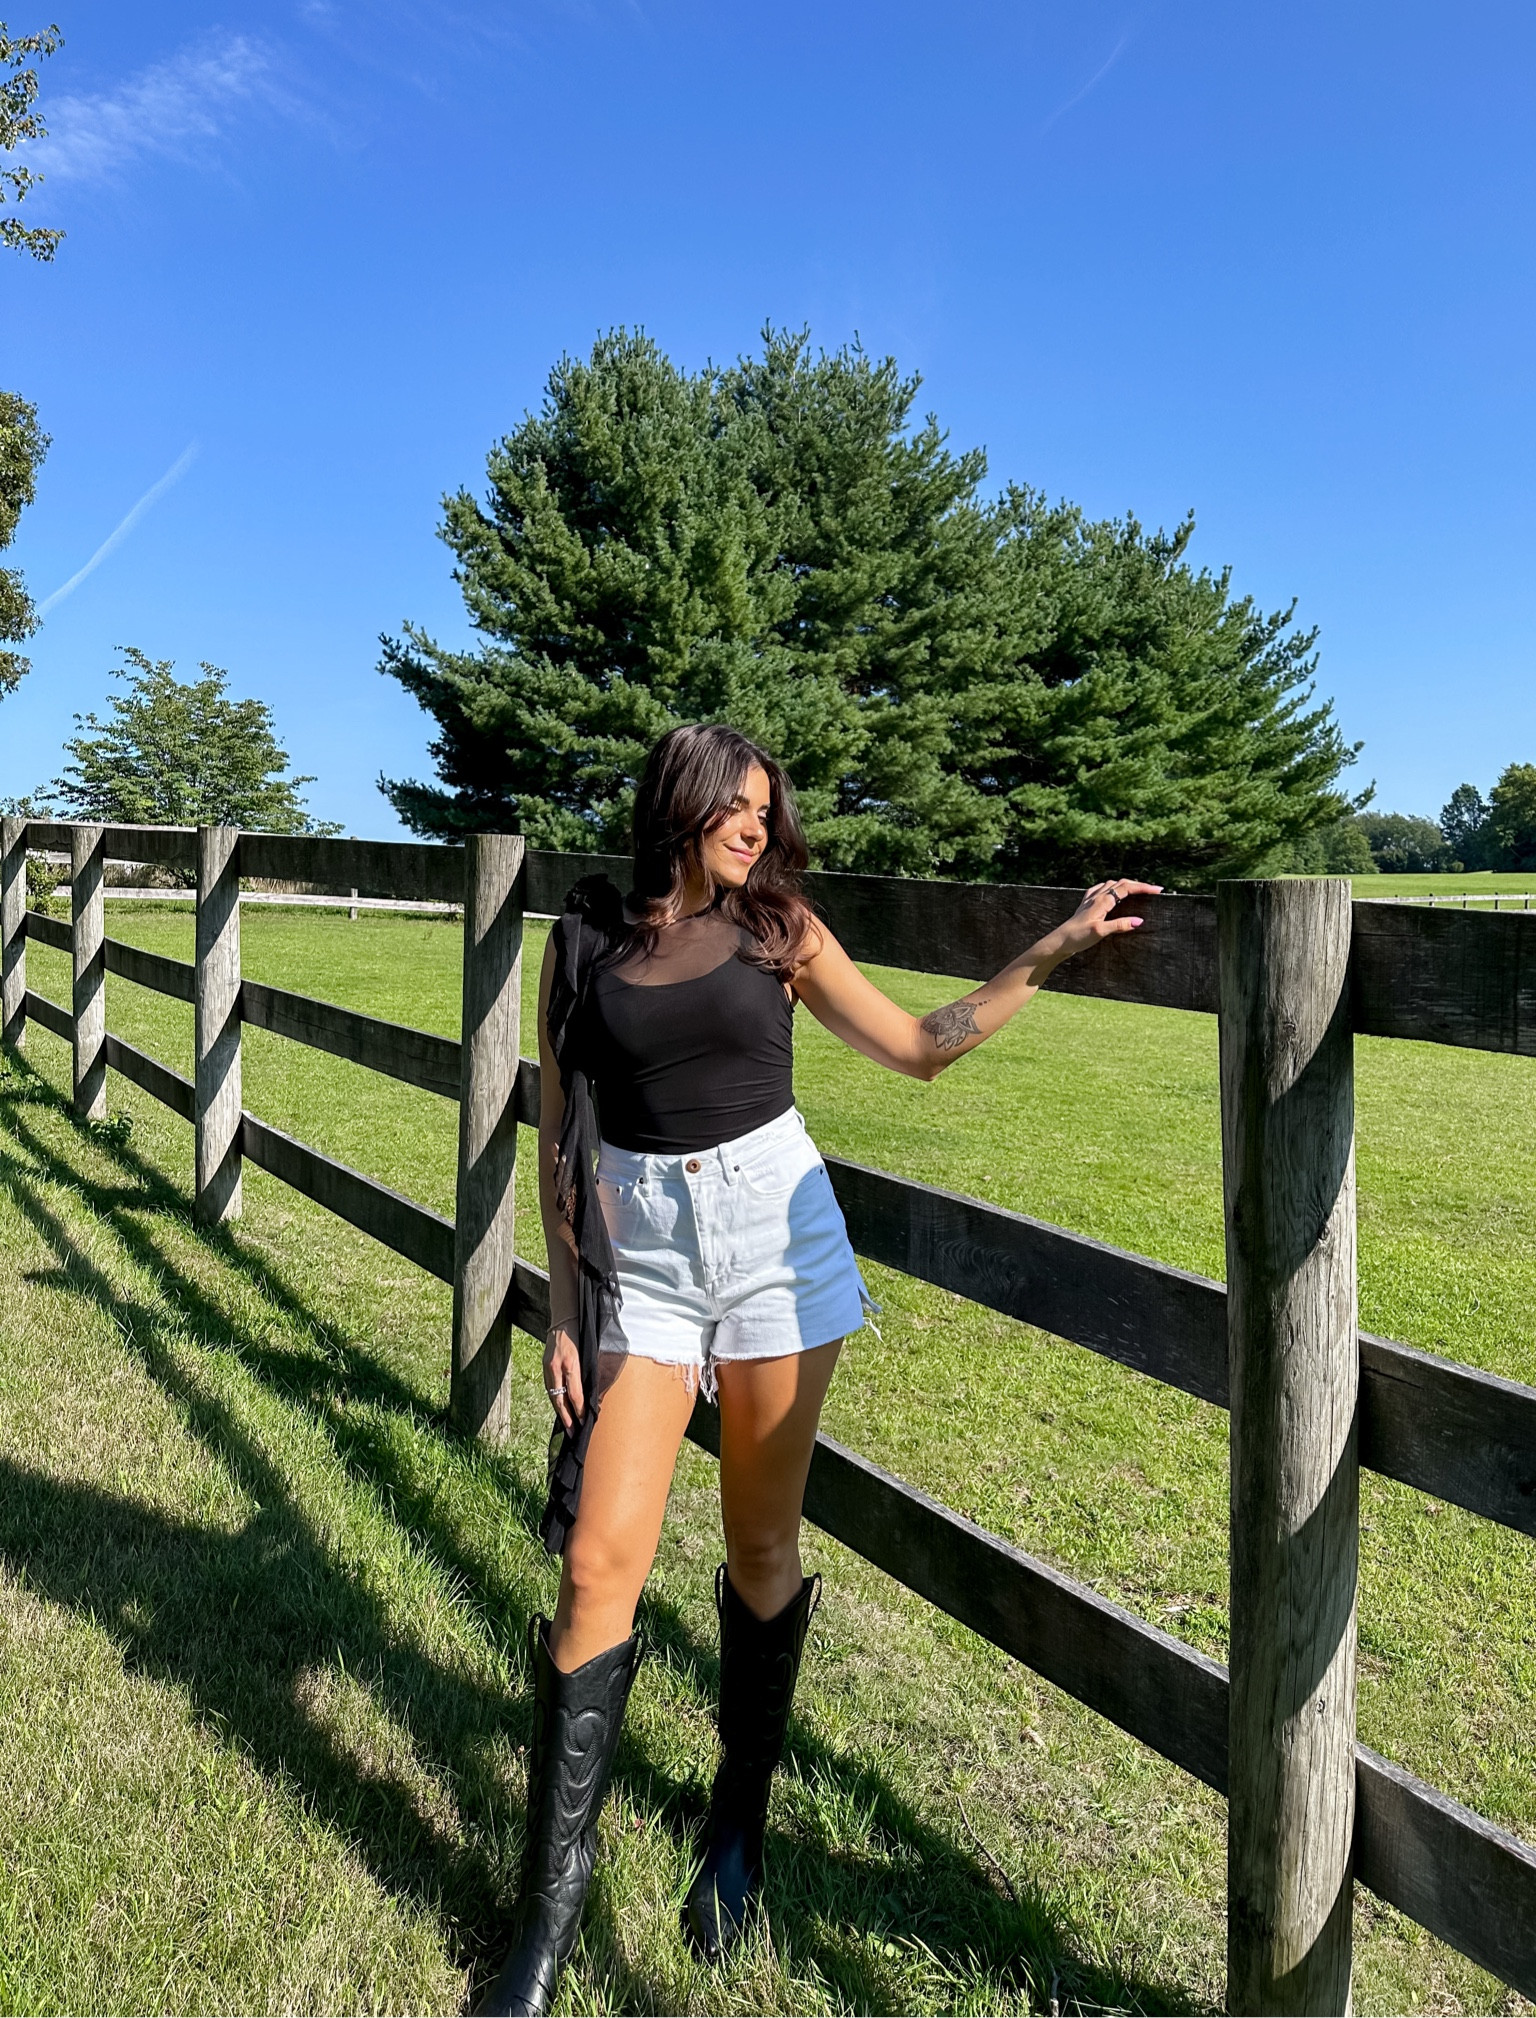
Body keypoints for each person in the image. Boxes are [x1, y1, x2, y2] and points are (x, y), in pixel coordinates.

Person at [479, 723, 1159, 2016]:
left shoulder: (779, 928)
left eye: (763, 809)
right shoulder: (581, 936)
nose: (755, 826)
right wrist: (565, 1308)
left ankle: (735, 1835)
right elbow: (559, 1133)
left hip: (773, 1250)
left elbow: (918, 1042)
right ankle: (545, 1926)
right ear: (675, 806)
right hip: (641, 1267)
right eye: (734, 807)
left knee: (759, 1550)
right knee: (592, 1571)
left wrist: (1055, 946)